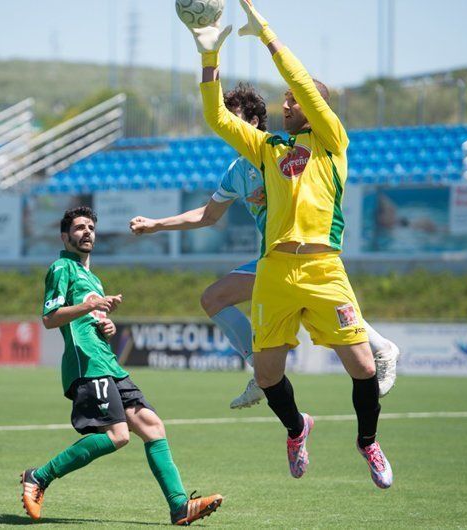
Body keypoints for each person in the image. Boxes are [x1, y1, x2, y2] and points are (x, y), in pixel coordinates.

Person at [187, 0, 393, 488]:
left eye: (292, 101)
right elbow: (217, 118)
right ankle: (297, 428)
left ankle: (368, 443)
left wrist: (268, 36)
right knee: (265, 376)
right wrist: (209, 58)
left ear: (315, 108)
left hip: (325, 270)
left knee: (364, 367)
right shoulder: (267, 148)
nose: (285, 104)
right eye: (283, 100)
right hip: (276, 272)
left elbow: (304, 86)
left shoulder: (332, 142)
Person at [129, 83, 400, 410]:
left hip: (306, 252)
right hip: (273, 258)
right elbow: (207, 214)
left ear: (254, 123)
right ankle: (261, 370)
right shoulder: (237, 172)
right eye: (225, 117)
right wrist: (156, 224)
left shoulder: (287, 151)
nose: (228, 123)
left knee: (324, 312)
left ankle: (380, 347)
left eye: (235, 117)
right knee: (214, 298)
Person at [21, 206, 223, 525]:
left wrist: (105, 324)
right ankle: (39, 476)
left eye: (90, 227)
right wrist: (89, 305)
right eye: (78, 228)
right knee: (118, 435)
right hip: (87, 364)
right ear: (65, 236)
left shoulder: (94, 279)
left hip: (109, 364)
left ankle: (180, 506)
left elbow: (89, 317)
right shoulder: (61, 268)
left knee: (153, 426)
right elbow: (49, 319)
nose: (86, 232)